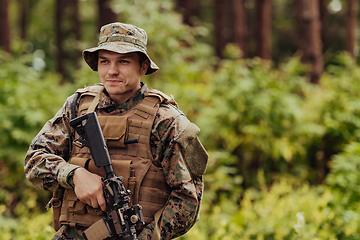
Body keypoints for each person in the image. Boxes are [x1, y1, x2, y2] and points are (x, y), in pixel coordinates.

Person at [24, 22, 208, 240]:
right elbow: (34, 161)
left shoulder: (166, 121)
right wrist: (74, 175)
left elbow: (187, 200)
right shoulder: (77, 106)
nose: (112, 71)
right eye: (104, 61)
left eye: (123, 61)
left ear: (142, 67)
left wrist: (145, 238)